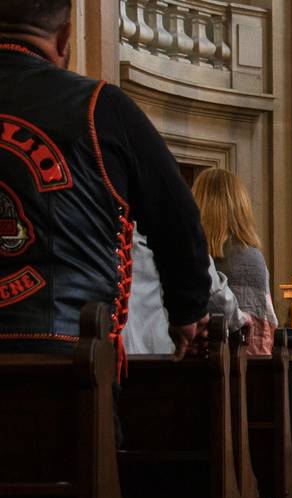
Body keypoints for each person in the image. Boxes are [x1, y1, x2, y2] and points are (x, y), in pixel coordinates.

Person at [0, 0, 210, 360]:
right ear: (66, 37)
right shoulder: (101, 107)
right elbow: (177, 217)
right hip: (67, 357)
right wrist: (188, 312)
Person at [123, 222, 250, 355]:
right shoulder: (158, 208)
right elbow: (203, 277)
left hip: (108, 345)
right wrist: (237, 319)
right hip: (149, 350)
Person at [195, 168, 278, 356]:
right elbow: (261, 329)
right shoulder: (250, 257)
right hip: (241, 364)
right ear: (240, 207)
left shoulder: (187, 252)